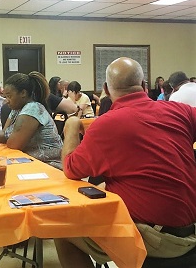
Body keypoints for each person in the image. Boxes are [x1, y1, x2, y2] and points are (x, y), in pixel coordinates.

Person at [55, 57, 196, 267]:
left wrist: (72, 128)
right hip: (190, 229)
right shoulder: (181, 112)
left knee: (62, 229)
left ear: (106, 89)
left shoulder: (106, 125)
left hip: (156, 237)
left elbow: (70, 168)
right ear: (145, 86)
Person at [0, 72, 63, 169]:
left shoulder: (32, 108)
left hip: (48, 165)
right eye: (5, 97)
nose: (7, 100)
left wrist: (4, 138)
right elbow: (4, 134)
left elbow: (13, 144)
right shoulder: (16, 109)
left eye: (9, 96)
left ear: (23, 93)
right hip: (30, 161)